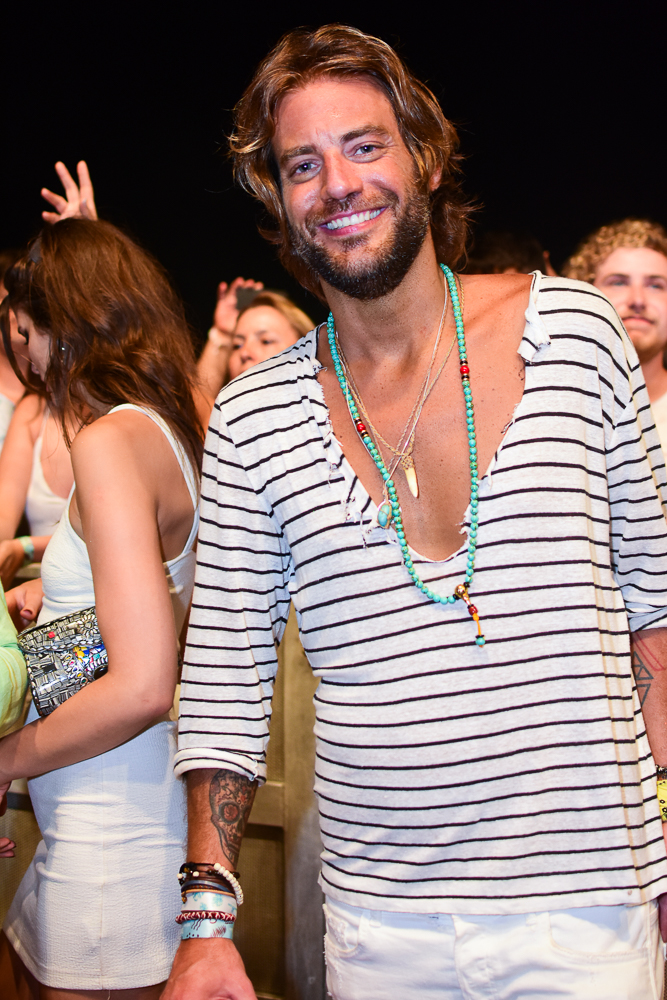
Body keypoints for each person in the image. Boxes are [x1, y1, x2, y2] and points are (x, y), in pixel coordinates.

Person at [165, 25, 667, 1000]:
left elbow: (655, 607)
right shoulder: (254, 416)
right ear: (278, 199)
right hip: (378, 930)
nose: (336, 184)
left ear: (426, 160)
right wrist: (205, 923)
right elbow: (225, 678)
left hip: (590, 912)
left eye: (364, 146)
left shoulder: (574, 333)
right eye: (301, 164)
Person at [0, 217, 204, 997]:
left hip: (107, 838)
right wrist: (51, 612)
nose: (22, 353)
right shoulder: (163, 430)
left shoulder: (109, 442)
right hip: (106, 814)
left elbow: (144, 683)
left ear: (55, 326)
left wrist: (4, 759)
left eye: (23, 330)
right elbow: (144, 630)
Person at [563, 219, 667, 444]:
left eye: (655, 285)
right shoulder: (554, 407)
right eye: (618, 283)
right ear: (584, 293)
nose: (638, 300)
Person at [0, 393, 73, 587]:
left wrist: (27, 547)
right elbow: (4, 514)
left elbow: (99, 538)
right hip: (38, 587)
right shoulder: (33, 409)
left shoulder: (120, 415)